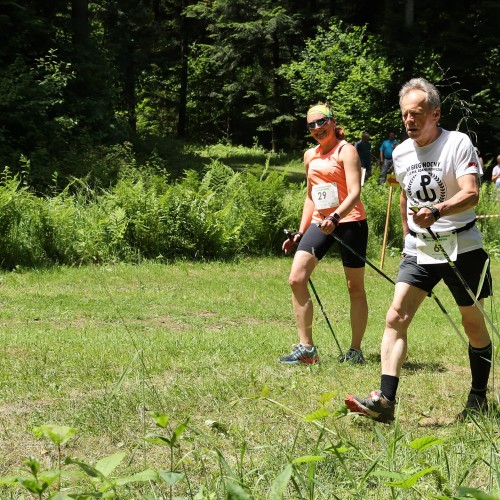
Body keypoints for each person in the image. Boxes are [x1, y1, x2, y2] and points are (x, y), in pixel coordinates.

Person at [345, 77, 493, 422]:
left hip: (462, 246)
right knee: (396, 316)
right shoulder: (399, 152)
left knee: (472, 324)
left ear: (435, 113)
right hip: (420, 249)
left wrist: (438, 212)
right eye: (405, 115)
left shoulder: (457, 143)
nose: (410, 121)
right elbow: (405, 196)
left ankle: (479, 396)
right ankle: (385, 401)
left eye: (417, 113)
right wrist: (408, 232)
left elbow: (472, 193)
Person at [279, 102, 368, 365]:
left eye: (322, 122)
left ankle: (355, 351)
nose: (317, 128)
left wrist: (336, 216)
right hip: (321, 221)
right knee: (296, 278)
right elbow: (310, 197)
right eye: (311, 125)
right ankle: (307, 349)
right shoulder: (310, 156)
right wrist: (300, 231)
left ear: (332, 121)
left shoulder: (346, 150)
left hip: (350, 221)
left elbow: (354, 193)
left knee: (354, 287)